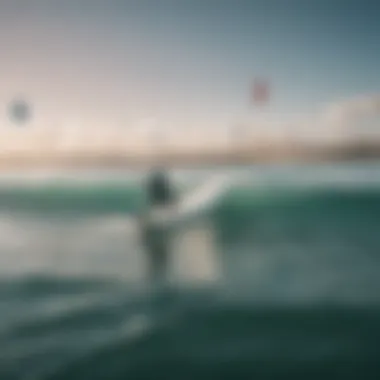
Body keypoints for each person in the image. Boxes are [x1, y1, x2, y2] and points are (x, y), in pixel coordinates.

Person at [141, 167, 177, 284]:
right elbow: (168, 198)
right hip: (157, 223)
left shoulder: (156, 186)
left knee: (157, 258)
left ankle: (156, 277)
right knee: (159, 257)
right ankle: (158, 277)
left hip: (155, 223)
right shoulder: (159, 187)